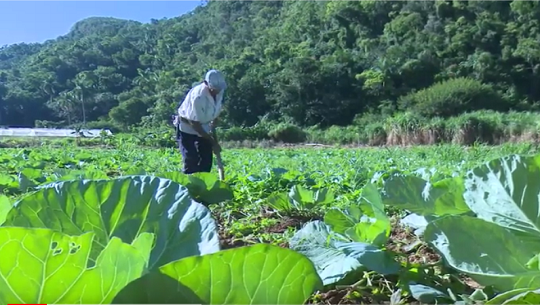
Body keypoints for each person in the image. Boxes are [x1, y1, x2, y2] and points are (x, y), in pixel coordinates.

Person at [174, 69, 227, 174]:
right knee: (191, 159)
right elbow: (195, 124)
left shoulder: (220, 91)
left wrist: (214, 136)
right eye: (214, 88)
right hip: (187, 127)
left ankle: (203, 186)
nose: (216, 91)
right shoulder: (198, 96)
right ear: (206, 83)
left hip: (205, 126)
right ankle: (188, 186)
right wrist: (212, 142)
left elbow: (215, 113)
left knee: (206, 160)